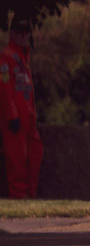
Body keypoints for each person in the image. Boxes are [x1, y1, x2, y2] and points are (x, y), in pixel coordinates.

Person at [1, 18, 42, 199]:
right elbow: (5, 88)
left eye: (27, 31)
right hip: (14, 119)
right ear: (13, 34)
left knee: (35, 153)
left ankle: (30, 194)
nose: (24, 35)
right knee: (16, 158)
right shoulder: (6, 57)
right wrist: (12, 115)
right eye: (20, 31)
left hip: (29, 118)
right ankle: (18, 196)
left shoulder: (24, 59)